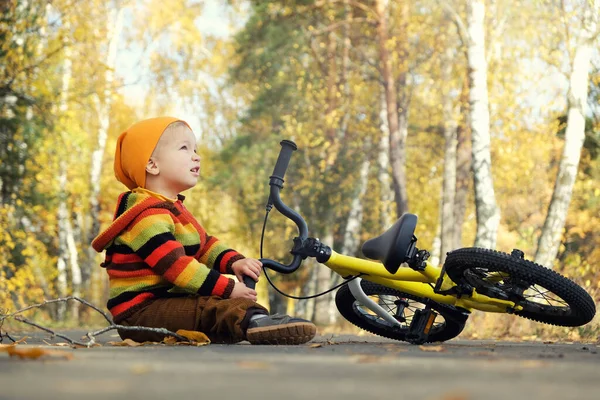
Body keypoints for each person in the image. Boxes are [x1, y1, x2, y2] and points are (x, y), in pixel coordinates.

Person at [92, 117, 316, 345]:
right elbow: (177, 267)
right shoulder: (145, 215)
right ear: (152, 165)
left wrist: (234, 262)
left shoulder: (174, 209)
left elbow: (204, 245)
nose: (196, 155)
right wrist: (229, 288)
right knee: (208, 306)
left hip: (167, 303)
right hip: (140, 312)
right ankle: (254, 322)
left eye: (196, 149)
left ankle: (253, 324)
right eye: (184, 148)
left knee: (210, 307)